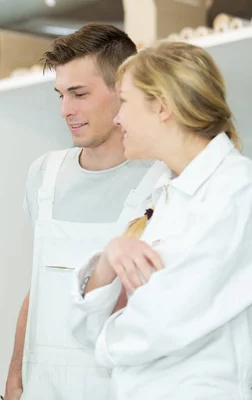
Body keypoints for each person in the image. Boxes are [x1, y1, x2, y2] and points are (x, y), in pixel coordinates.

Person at [69, 41, 252, 400]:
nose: (117, 117)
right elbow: (87, 326)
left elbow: (162, 320)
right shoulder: (163, 194)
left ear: (163, 107)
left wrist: (106, 339)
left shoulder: (236, 191)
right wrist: (109, 258)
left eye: (124, 101)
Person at [4, 23, 166, 400]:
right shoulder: (44, 174)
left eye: (78, 94)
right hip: (41, 385)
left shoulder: (161, 183)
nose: (65, 110)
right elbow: (39, 287)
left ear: (123, 90)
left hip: (117, 385)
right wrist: (15, 375)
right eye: (60, 94)